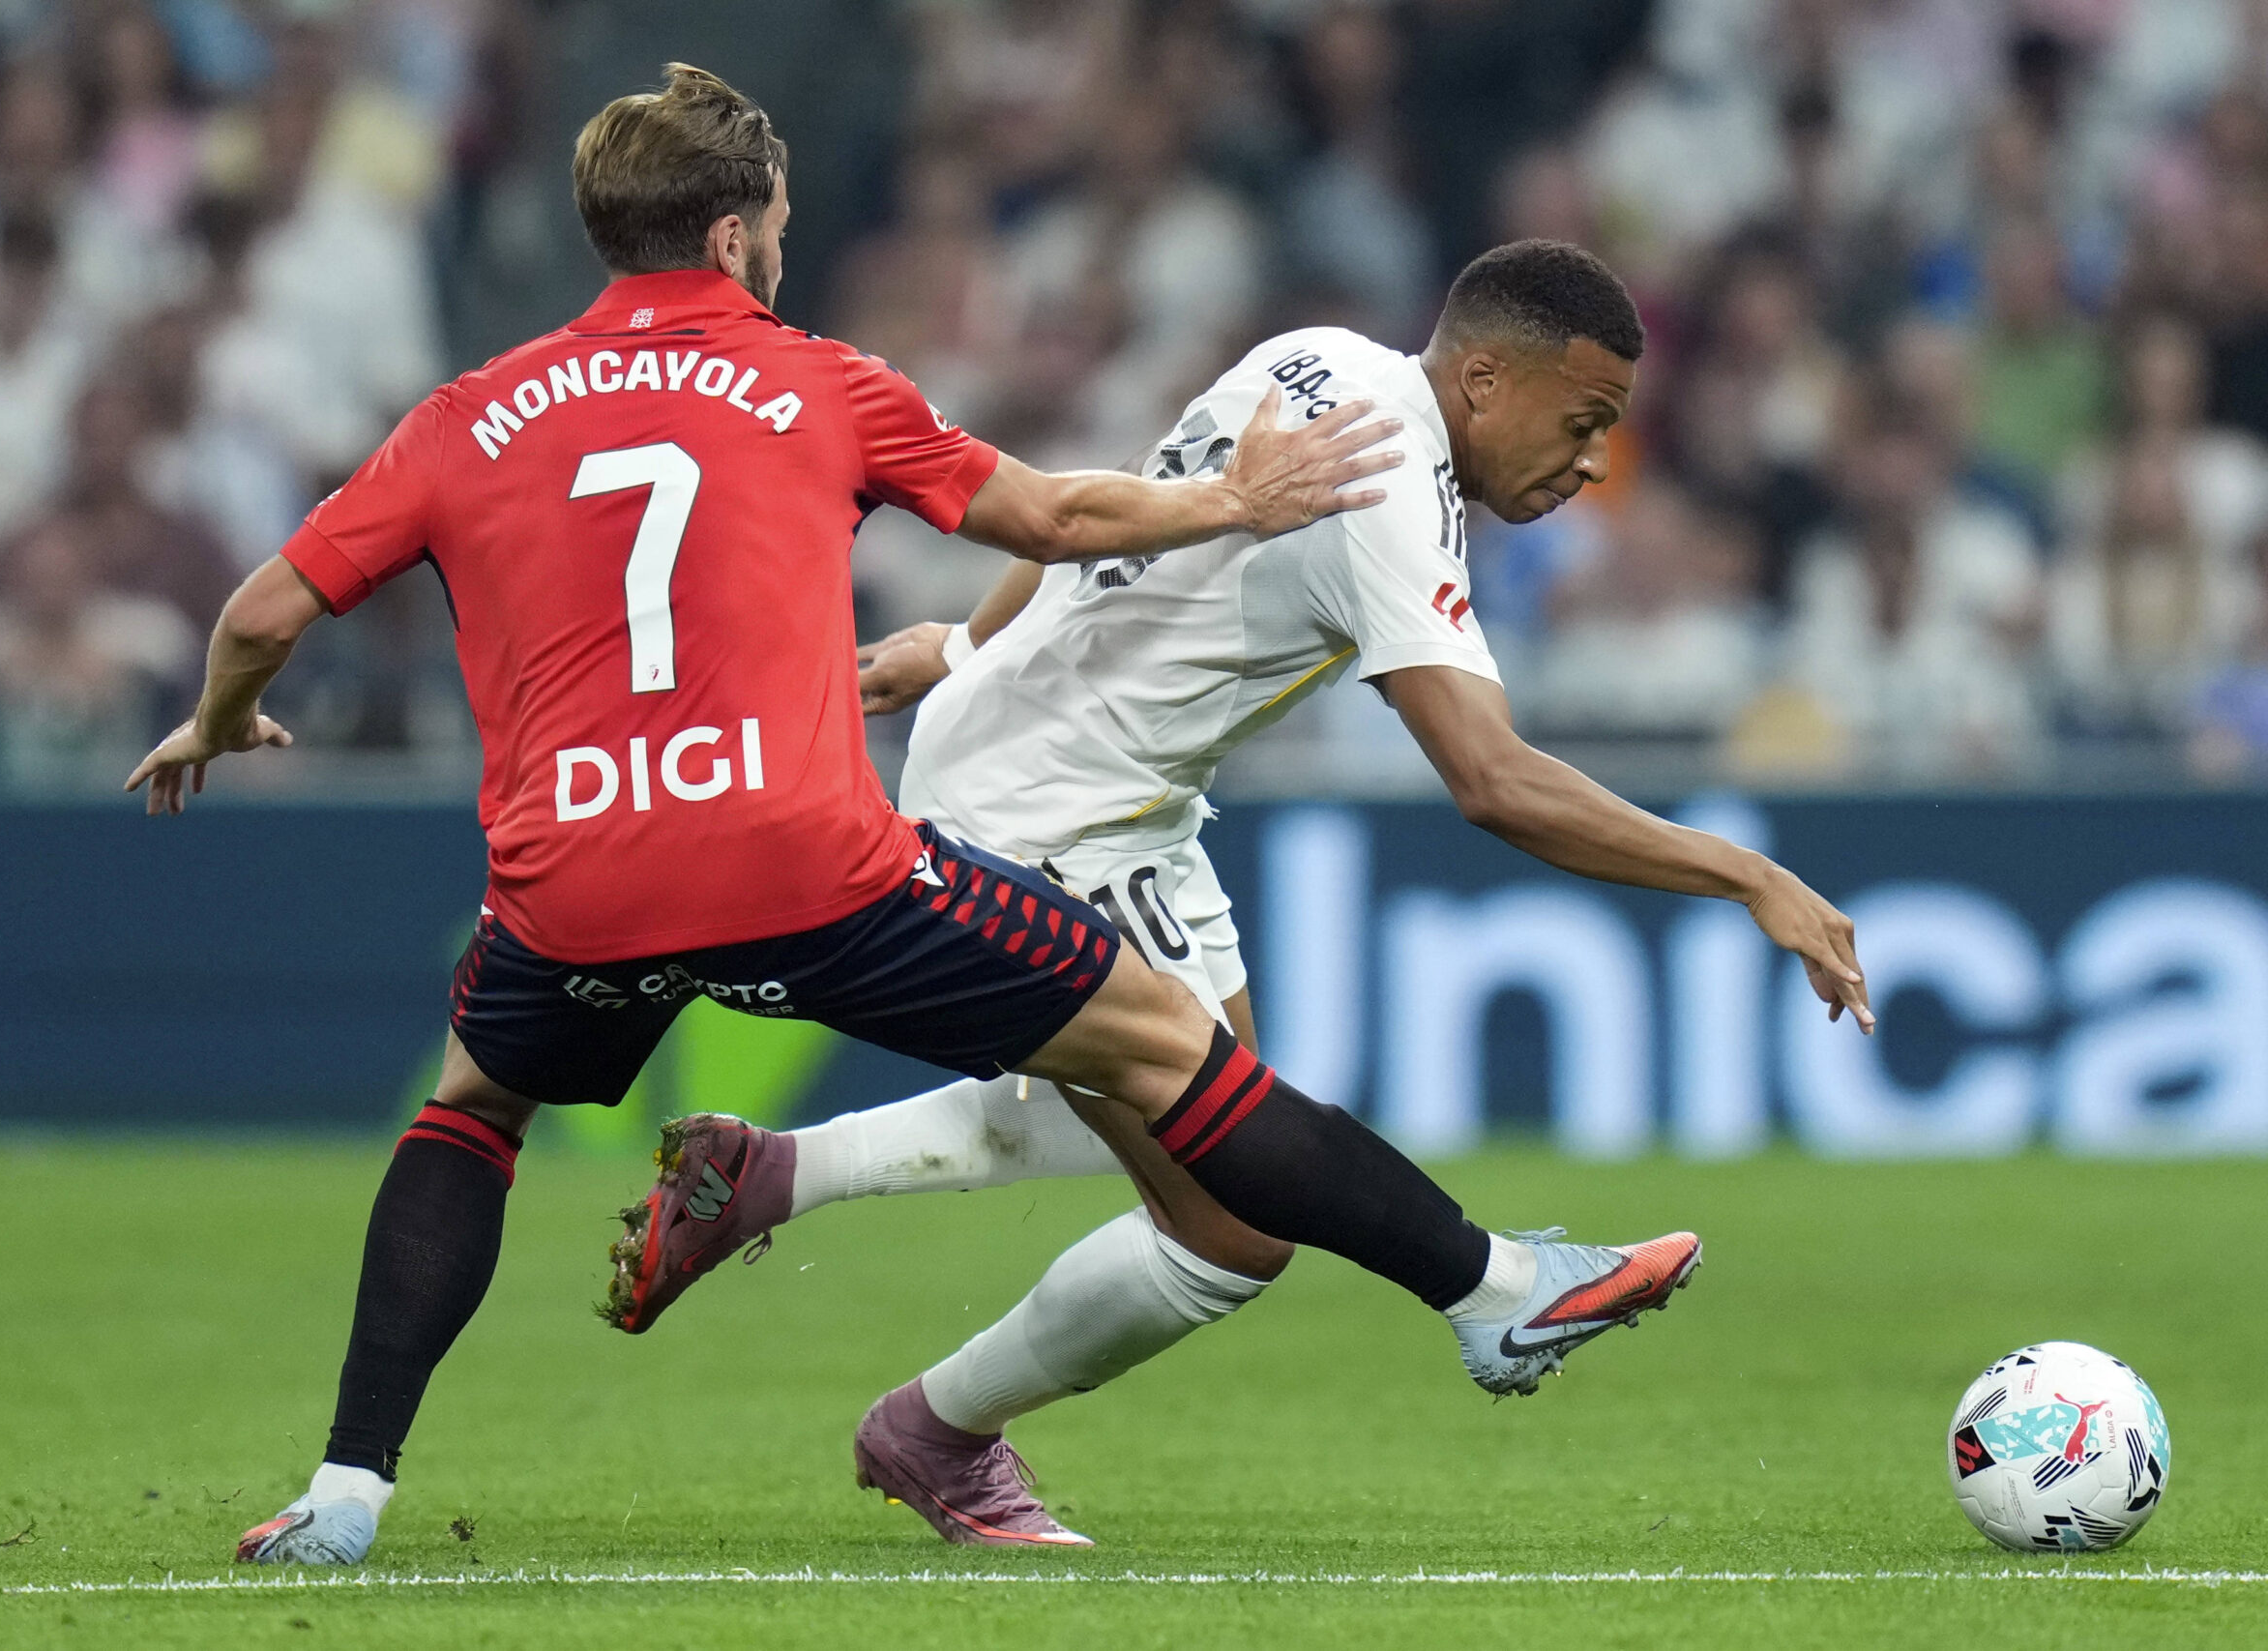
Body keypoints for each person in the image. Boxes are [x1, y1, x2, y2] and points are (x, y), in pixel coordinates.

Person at [122, 65, 1622, 1569]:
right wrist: (1233, 502)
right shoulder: (817, 382)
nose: (782, 247)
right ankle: (1491, 1288)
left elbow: (261, 612)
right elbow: (1056, 518)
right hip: (811, 870)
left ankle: (346, 1493)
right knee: (1175, 1049)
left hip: (571, 886)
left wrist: (222, 715)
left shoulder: (468, 414)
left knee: (468, 1115)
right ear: (730, 238)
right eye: (776, 223)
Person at [611, 240, 1877, 1547]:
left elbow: (1115, 503)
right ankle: (937, 1428)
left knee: (1171, 1110)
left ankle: (768, 1174)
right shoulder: (1387, 491)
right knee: (1232, 1220)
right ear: (1488, 381)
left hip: (1115, 798)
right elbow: (1494, 781)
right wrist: (1747, 874)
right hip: (1047, 812)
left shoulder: (1317, 357)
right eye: (1586, 419)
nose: (1597, 461)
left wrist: (972, 647)